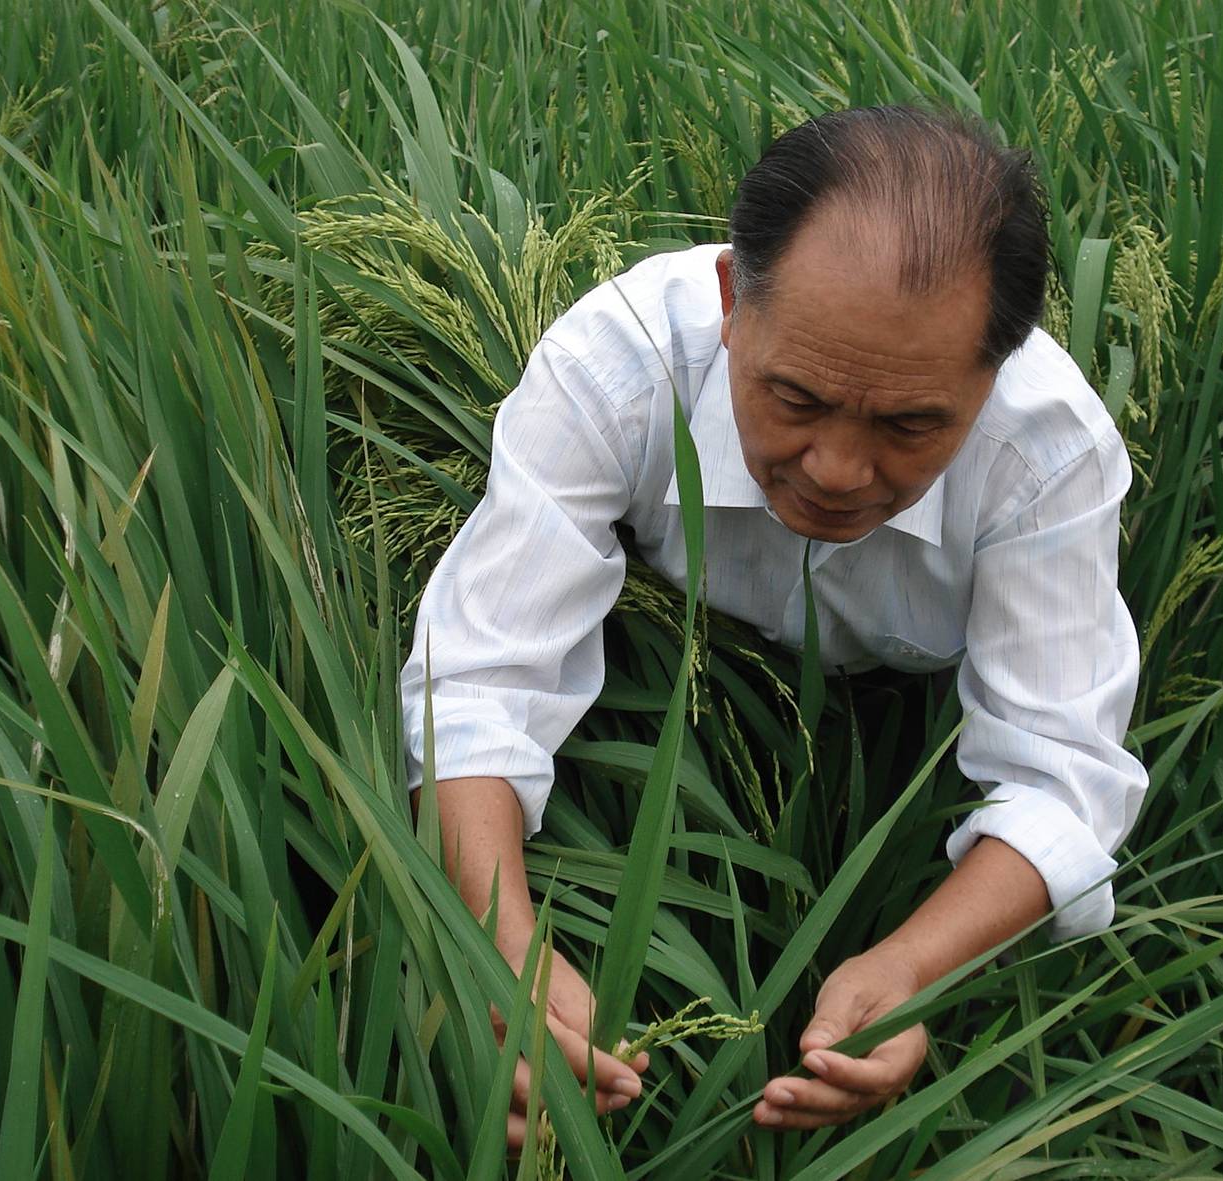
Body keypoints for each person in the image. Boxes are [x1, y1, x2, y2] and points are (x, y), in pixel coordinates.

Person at [402, 104, 1147, 1145]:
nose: (839, 470)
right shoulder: (617, 368)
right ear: (728, 302)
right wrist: (500, 946)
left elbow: (1065, 773)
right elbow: (476, 682)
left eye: (910, 424)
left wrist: (910, 967)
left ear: (998, 368)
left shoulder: (1046, 452)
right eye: (794, 397)